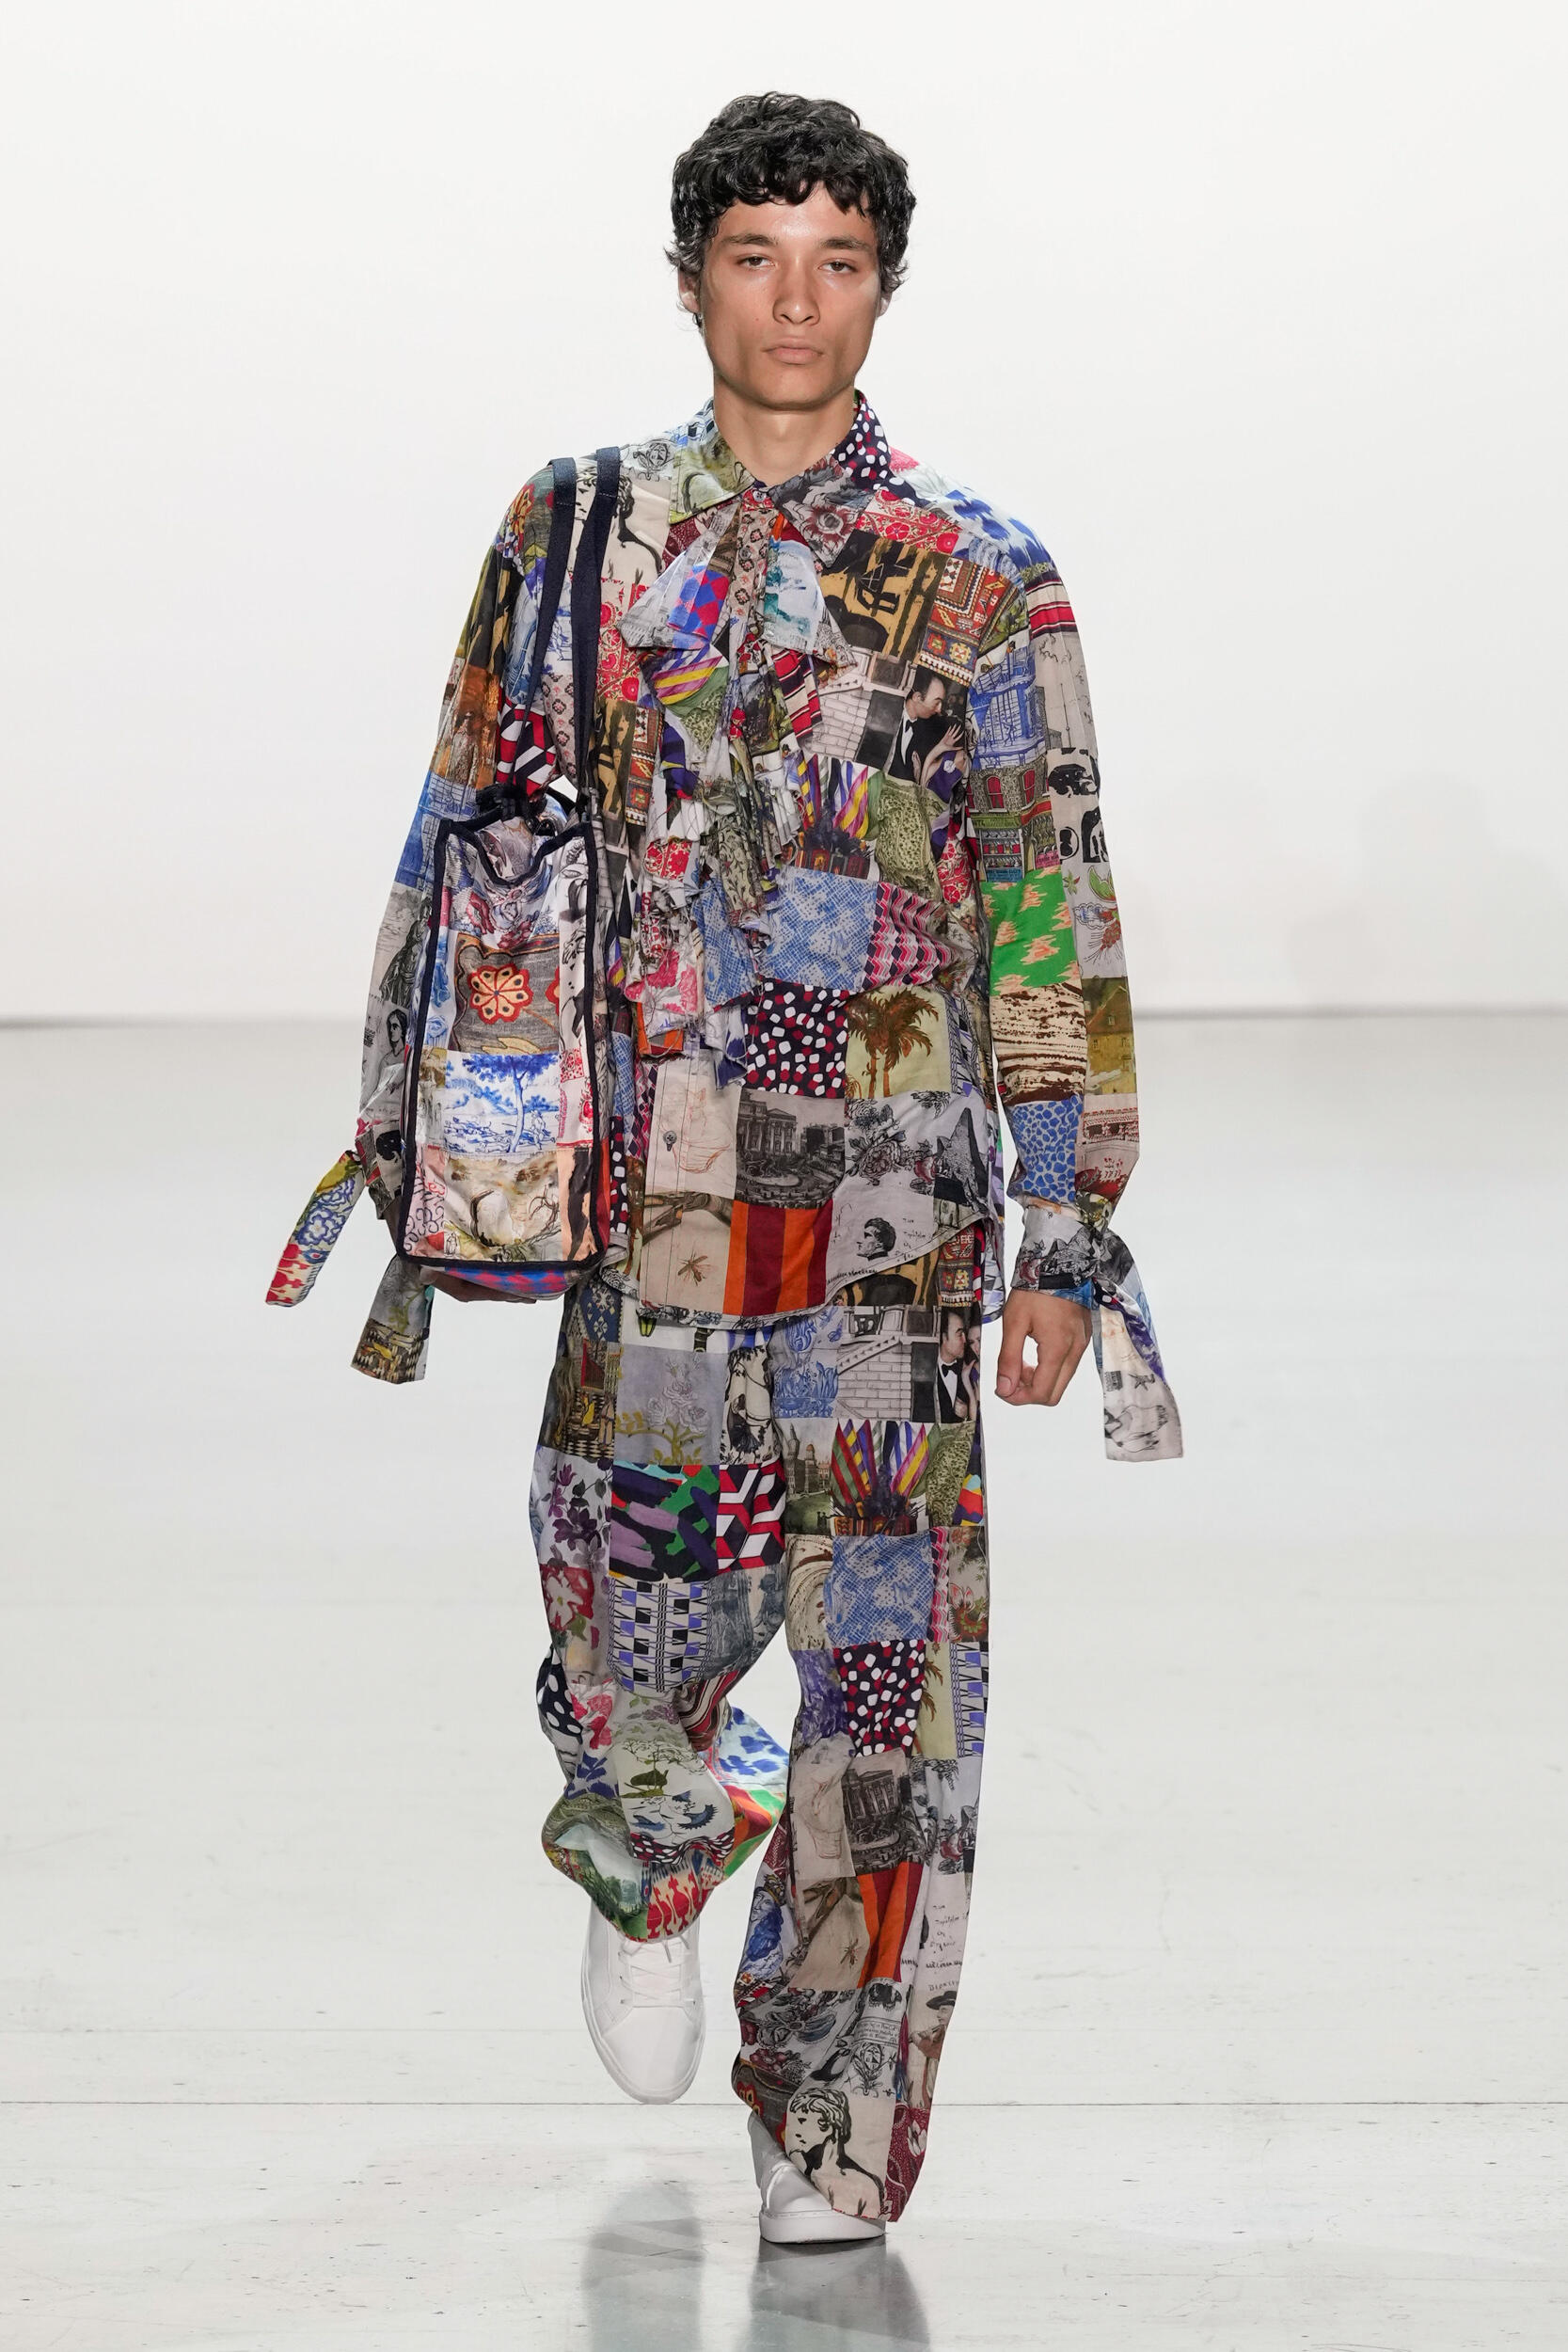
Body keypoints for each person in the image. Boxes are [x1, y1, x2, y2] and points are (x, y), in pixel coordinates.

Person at [275, 89, 1181, 2248]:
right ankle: (655, 1854)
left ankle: (830, 2124)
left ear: (885, 284)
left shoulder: (980, 571)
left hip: (891, 1236)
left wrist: (1070, 1223)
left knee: (890, 1704)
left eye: (837, 260)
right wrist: (429, 1139)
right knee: (623, 1617)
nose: (795, 301)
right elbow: (465, 834)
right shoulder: (574, 529)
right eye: (756, 256)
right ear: (689, 278)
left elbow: (1046, 905)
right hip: (647, 1221)